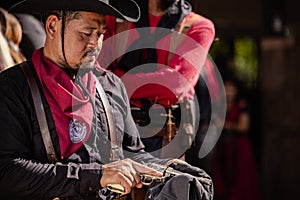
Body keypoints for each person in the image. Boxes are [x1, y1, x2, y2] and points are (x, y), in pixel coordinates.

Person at [0, 0, 213, 199]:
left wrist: (166, 169)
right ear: (53, 26)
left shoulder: (111, 85)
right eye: (86, 33)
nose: (95, 44)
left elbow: (132, 155)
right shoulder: (13, 87)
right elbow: (7, 172)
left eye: (101, 34)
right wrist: (96, 175)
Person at [98, 0, 215, 159]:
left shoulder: (199, 26)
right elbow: (96, 76)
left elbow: (176, 84)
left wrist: (114, 79)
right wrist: (156, 80)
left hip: (163, 142)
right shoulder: (116, 19)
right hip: (111, 132)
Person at [211, 77, 260, 200]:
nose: (229, 92)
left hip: (239, 148)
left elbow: (243, 127)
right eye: (226, 89)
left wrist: (223, 124)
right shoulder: (221, 105)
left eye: (231, 89)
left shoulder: (242, 105)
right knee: (222, 179)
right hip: (224, 147)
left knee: (241, 179)